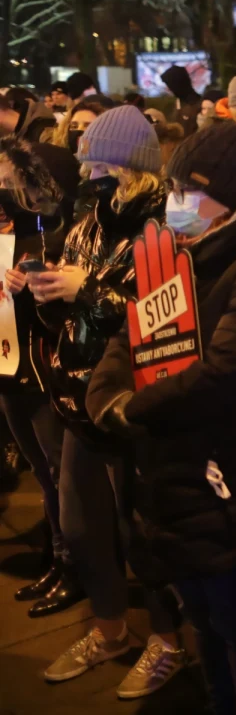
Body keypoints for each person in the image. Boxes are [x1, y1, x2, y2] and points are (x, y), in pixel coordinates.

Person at [87, 121, 236, 715]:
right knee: (202, 620)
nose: (175, 203)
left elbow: (229, 370)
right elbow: (129, 338)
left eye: (190, 191)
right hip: (172, 480)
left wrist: (137, 409)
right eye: (175, 188)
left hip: (228, 485)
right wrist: (107, 394)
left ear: (232, 199)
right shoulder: (180, 253)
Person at [30, 105, 184, 698]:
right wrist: (46, 291)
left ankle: (168, 642)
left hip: (134, 402)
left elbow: (163, 314)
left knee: (144, 530)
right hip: (77, 399)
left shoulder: (165, 222)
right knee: (84, 527)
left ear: (131, 166)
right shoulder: (89, 219)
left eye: (99, 156)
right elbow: (70, 311)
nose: (88, 165)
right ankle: (110, 631)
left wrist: (85, 290)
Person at [0, 136, 71, 616]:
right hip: (10, 372)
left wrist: (35, 287)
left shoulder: (54, 235)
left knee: (61, 476)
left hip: (43, 375)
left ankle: (75, 566)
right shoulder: (11, 234)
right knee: (45, 479)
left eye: (10, 180)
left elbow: (65, 317)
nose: (3, 189)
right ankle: (58, 559)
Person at [161, 65, 204, 136]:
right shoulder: (178, 103)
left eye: (169, 85)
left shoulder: (198, 105)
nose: (168, 89)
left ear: (178, 84)